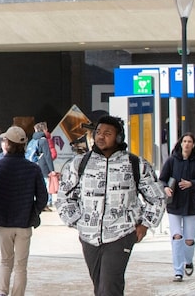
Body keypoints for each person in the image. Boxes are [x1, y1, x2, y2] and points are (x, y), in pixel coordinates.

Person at [57, 115, 165, 296]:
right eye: (98, 132)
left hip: (121, 234)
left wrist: (146, 224)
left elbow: (158, 197)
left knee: (109, 287)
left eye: (107, 133)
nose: (100, 136)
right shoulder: (79, 164)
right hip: (88, 238)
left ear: (119, 137)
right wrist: (78, 221)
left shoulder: (135, 164)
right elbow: (64, 197)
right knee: (100, 287)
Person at [0, 126, 47, 296]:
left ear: (7, 145)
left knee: (5, 261)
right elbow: (42, 197)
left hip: (3, 222)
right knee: (21, 265)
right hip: (24, 222)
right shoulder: (33, 169)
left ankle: (1, 292)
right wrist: (34, 211)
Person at [158, 132, 195, 282]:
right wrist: (165, 188)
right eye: (184, 141)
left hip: (191, 204)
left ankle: (188, 261)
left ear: (193, 145)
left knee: (189, 239)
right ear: (180, 143)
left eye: (189, 142)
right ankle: (178, 271)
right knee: (177, 236)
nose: (186, 144)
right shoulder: (172, 160)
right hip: (175, 203)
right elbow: (162, 179)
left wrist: (191, 183)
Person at [28, 123, 56, 210]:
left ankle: (36, 201)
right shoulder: (43, 140)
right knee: (46, 184)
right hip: (43, 165)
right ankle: (46, 203)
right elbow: (47, 155)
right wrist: (52, 169)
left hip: (34, 164)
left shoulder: (32, 140)